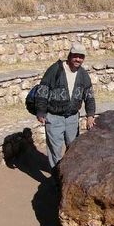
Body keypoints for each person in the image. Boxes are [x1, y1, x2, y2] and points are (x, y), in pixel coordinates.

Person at [35, 42, 95, 178]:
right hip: (54, 116)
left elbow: (89, 95)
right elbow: (43, 90)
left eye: (81, 57)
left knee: (73, 148)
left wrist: (90, 115)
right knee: (55, 150)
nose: (78, 59)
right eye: (75, 56)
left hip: (72, 117)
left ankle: (69, 177)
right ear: (70, 55)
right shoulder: (55, 70)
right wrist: (41, 111)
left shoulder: (83, 74)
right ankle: (56, 179)